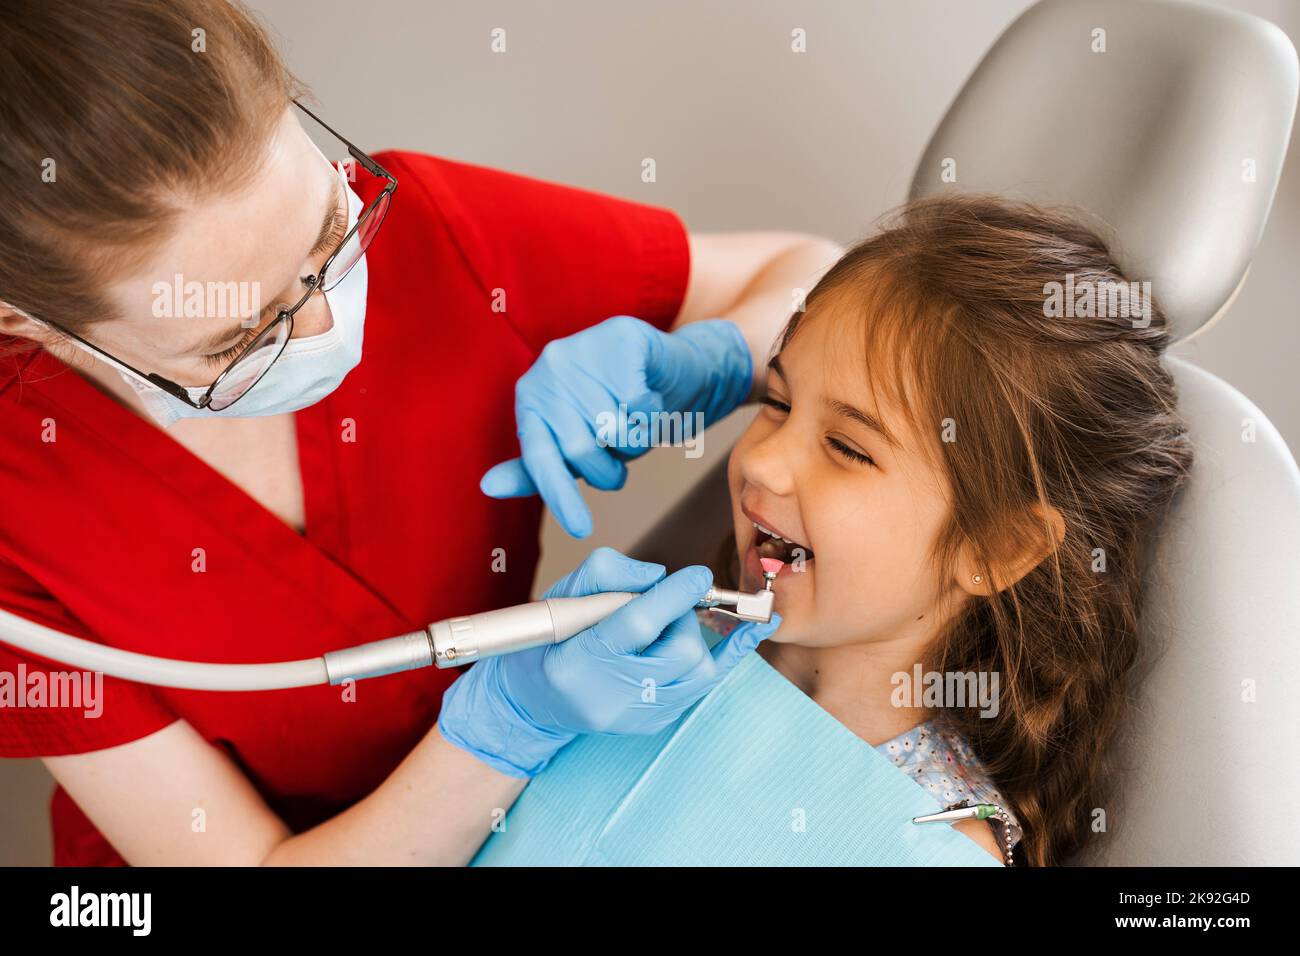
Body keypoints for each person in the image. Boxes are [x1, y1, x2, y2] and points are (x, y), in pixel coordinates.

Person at [0, 0, 839, 865]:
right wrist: (503, 728)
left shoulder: (436, 235)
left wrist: (713, 359)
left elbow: (818, 278)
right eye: (240, 337)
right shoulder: (17, 513)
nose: (329, 324)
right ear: (28, 326)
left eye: (332, 232)